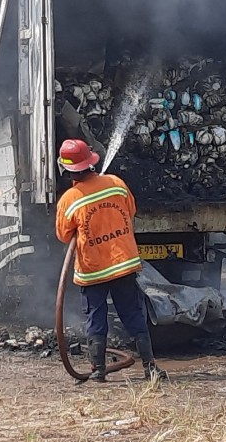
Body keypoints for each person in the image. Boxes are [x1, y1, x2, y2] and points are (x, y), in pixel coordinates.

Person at [53, 139, 168, 383]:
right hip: (123, 264)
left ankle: (98, 371)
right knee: (133, 314)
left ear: (67, 169)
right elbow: (130, 210)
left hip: (92, 270)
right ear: (91, 161)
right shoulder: (116, 184)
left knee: (96, 317)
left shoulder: (69, 199)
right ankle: (150, 367)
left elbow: (63, 235)